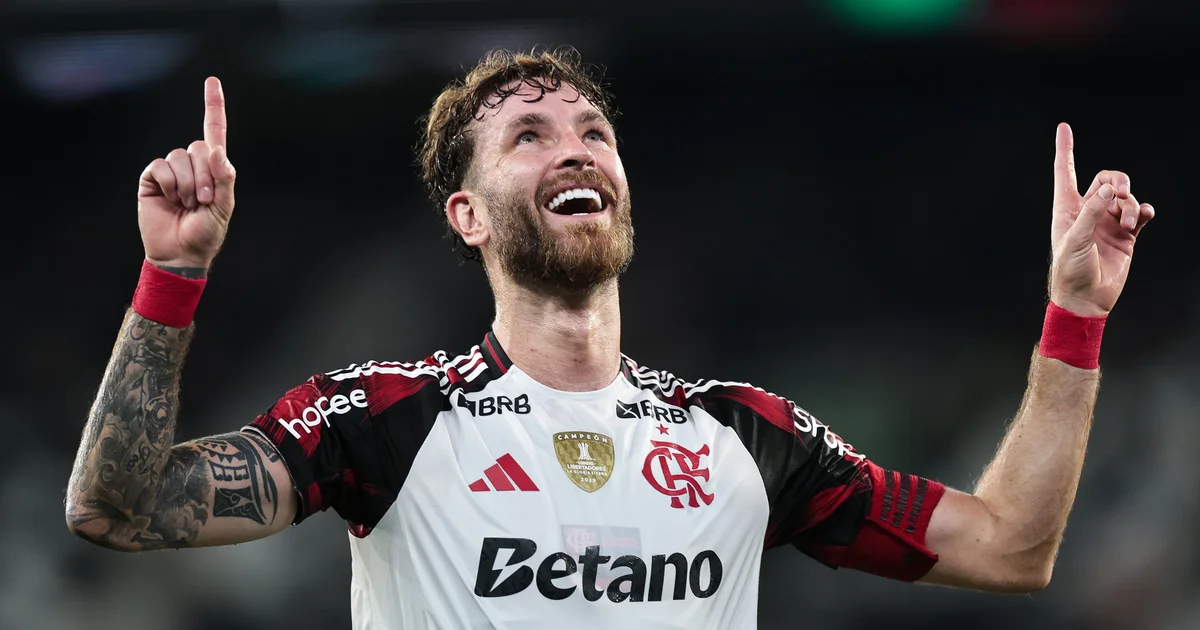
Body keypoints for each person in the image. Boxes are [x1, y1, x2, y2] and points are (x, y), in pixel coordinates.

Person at [66, 48, 1156, 629]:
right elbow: (114, 510)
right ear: (470, 214)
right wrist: (174, 274)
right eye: (528, 136)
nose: (574, 149)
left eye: (593, 131)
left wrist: (1077, 319)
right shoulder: (383, 418)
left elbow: (1013, 548)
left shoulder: (744, 435)